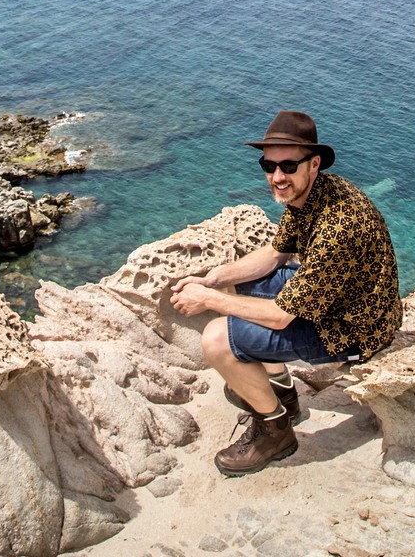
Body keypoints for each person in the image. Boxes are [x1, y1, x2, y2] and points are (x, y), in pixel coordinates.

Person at [170, 110, 402, 476]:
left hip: (352, 328)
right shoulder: (313, 193)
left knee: (217, 340)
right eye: (269, 165)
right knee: (237, 283)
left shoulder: (338, 227)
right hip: (335, 299)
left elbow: (281, 316)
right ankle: (280, 389)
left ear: (314, 164)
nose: (277, 177)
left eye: (289, 166)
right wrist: (214, 278)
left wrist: (208, 300)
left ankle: (275, 430)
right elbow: (277, 252)